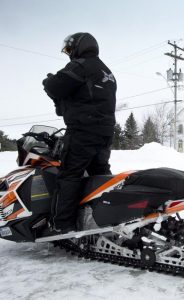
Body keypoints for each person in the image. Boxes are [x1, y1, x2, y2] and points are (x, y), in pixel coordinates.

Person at [42, 32, 117, 235]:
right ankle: (108, 216)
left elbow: (55, 86)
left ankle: (62, 225)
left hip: (83, 131)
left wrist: (48, 81)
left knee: (69, 175)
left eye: (69, 49)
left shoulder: (80, 66)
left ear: (78, 47)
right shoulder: (106, 71)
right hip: (105, 132)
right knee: (100, 174)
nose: (68, 54)